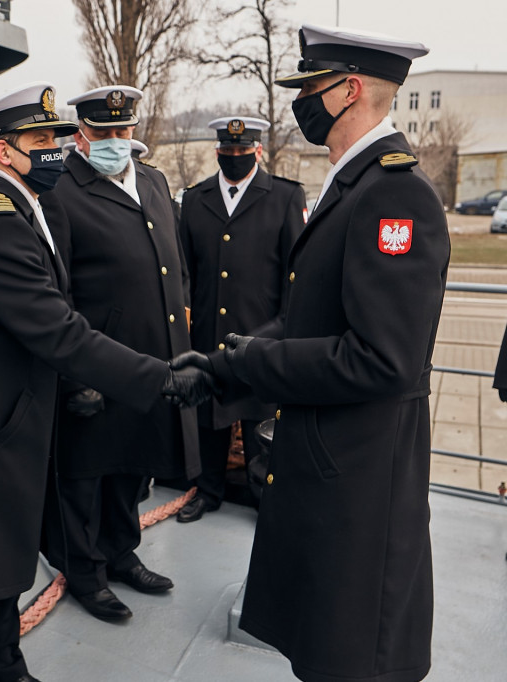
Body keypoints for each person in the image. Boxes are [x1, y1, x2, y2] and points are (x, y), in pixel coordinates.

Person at [0, 82, 215, 682]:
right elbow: (60, 330)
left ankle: (3, 662)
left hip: (6, 413)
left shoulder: (20, 207)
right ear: (4, 151)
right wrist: (160, 378)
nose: (55, 149)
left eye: (55, 137)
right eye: (41, 139)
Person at [178, 24, 449, 682]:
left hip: (360, 491)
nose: (300, 102)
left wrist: (249, 365)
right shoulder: (352, 185)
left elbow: (382, 360)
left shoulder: (394, 195)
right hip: (329, 476)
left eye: (310, 88)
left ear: (349, 89)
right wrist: (221, 363)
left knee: (351, 661)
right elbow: (305, 318)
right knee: (322, 655)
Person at [47, 85, 199, 622]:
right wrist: (74, 378)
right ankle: (85, 571)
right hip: (95, 359)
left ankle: (121, 551)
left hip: (152, 358)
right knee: (87, 471)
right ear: (81, 133)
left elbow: (173, 265)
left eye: (123, 130)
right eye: (104, 132)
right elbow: (57, 290)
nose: (115, 140)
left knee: (132, 465)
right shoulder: (62, 191)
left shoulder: (154, 182)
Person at [176, 116, 306, 523]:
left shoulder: (284, 197)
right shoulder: (196, 199)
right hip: (209, 334)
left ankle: (262, 497)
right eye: (228, 151)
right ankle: (208, 489)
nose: (235, 157)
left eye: (243, 150)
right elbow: (185, 271)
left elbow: (294, 272)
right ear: (217, 151)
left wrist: (282, 327)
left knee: (258, 425)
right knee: (209, 419)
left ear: (258, 151)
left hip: (261, 334)